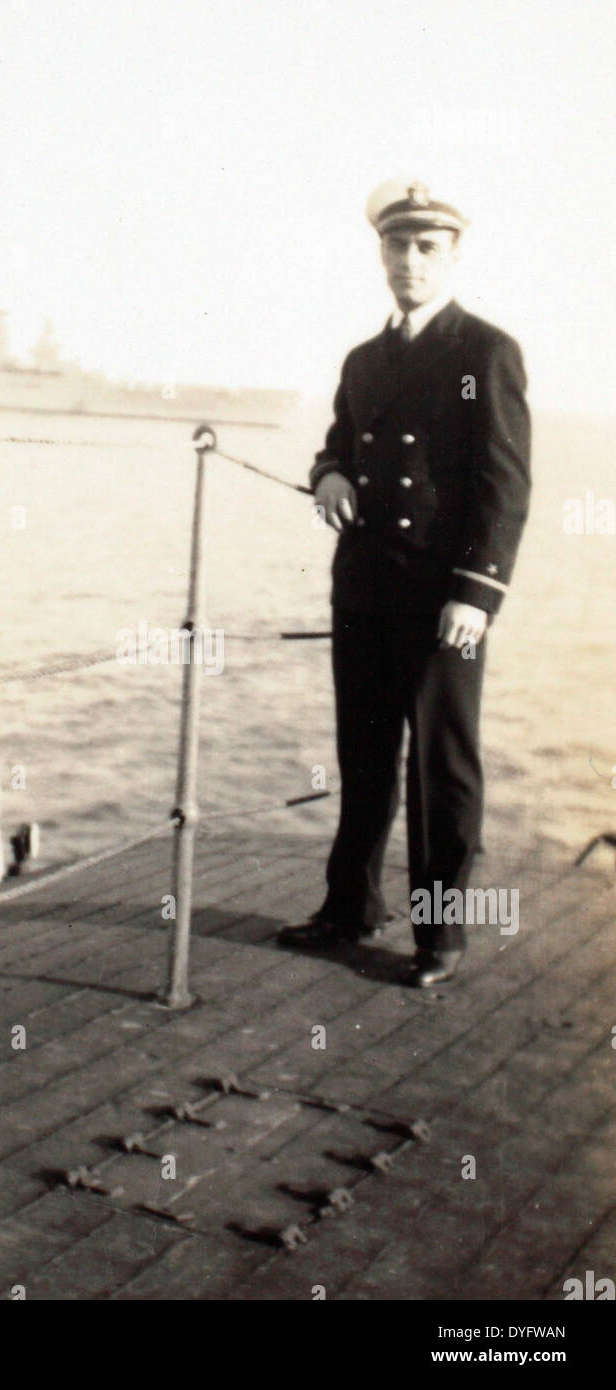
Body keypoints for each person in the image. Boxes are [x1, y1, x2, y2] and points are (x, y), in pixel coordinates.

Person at [278, 177, 531, 986]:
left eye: (426, 247)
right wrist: (326, 477)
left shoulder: (482, 352)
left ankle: (438, 935)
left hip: (439, 596)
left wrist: (477, 590)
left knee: (441, 768)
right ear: (380, 253)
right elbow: (338, 445)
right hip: (363, 588)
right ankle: (349, 906)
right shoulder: (362, 360)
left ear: (452, 256)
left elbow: (504, 484)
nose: (409, 260)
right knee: (363, 755)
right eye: (396, 244)